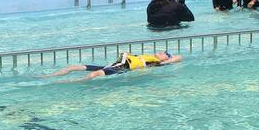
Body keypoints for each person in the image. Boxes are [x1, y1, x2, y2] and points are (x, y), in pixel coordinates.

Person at [43, 51, 183, 82]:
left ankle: (73, 81)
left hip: (121, 68)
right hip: (114, 64)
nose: (162, 52)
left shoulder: (157, 63)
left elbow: (179, 57)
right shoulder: (148, 56)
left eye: (165, 53)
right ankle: (47, 76)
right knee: (73, 66)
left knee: (94, 74)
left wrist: (168, 60)